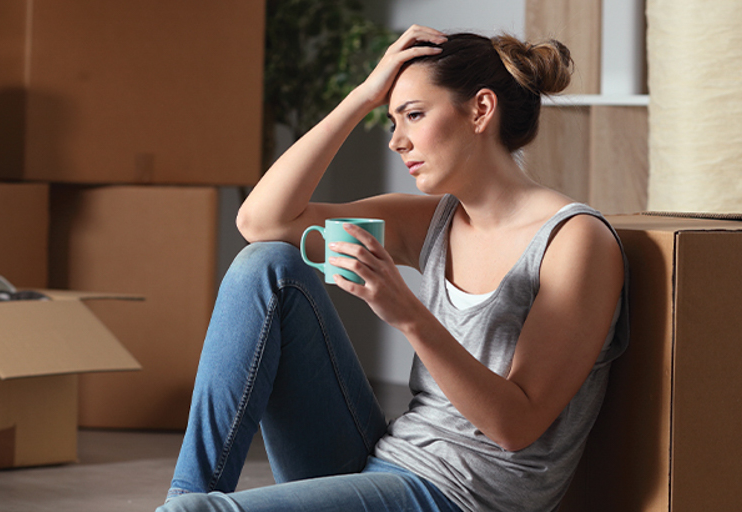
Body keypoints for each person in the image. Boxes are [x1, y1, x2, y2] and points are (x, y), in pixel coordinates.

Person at [158, 25, 629, 512]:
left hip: (468, 497)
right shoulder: (435, 221)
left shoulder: (573, 242)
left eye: (414, 115)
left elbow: (516, 428)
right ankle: (185, 496)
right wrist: (361, 96)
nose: (396, 142)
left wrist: (405, 312)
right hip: (389, 461)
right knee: (267, 264)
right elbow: (261, 221)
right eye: (391, 121)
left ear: (481, 110)